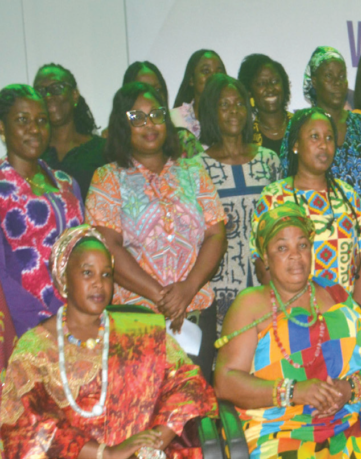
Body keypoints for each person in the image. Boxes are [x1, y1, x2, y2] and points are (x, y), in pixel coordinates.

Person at [215, 203, 361, 459]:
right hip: (279, 428)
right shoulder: (250, 305)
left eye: (302, 245)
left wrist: (351, 387)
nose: (295, 256)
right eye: (282, 248)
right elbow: (226, 382)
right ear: (265, 257)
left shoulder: (334, 295)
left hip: (346, 419)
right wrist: (294, 391)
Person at [1, 225, 216, 459]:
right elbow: (32, 423)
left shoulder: (140, 333)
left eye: (106, 275)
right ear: (63, 279)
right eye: (87, 273)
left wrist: (146, 454)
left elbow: (188, 386)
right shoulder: (35, 348)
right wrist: (109, 453)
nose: (98, 284)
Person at [87, 82, 227, 381]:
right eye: (138, 117)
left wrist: (186, 290)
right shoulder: (107, 178)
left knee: (193, 409)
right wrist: (162, 297)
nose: (149, 125)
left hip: (195, 309)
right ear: (122, 125)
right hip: (135, 317)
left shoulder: (193, 171)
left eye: (157, 115)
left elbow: (216, 234)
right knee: (144, 412)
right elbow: (108, 246)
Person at [297, 46, 361, 325]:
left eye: (342, 76)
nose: (338, 83)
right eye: (329, 76)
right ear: (313, 81)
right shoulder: (301, 124)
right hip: (324, 256)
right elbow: (292, 180)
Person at [253, 107, 361, 310]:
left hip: (346, 316)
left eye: (329, 138)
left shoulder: (348, 195)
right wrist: (294, 315)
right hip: (293, 317)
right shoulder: (273, 197)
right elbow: (262, 264)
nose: (323, 145)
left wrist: (355, 311)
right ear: (295, 145)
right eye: (314, 137)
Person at [0, 84, 85, 339]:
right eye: (22, 120)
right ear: (2, 127)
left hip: (80, 319)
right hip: (28, 327)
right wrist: (42, 322)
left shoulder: (67, 183)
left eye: (41, 121)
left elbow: (86, 250)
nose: (34, 129)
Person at [196, 74, 281, 322]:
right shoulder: (195, 168)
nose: (234, 111)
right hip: (217, 282)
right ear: (212, 112)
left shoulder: (269, 160)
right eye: (224, 105)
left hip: (266, 278)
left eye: (239, 103)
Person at [33, 64, 106, 196]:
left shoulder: (103, 151)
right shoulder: (32, 154)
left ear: (74, 95)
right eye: (41, 91)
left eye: (57, 88)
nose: (48, 96)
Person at [122, 60, 204, 157]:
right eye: (143, 90)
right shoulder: (116, 145)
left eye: (157, 90)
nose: (151, 96)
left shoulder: (184, 140)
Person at [237, 53, 292, 154]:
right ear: (249, 92)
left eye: (275, 81)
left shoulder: (302, 125)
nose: (270, 88)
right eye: (261, 83)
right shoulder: (246, 137)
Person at [171, 49, 226, 139]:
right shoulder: (174, 119)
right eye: (206, 71)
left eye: (219, 72)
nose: (214, 77)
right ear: (191, 79)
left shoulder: (233, 118)